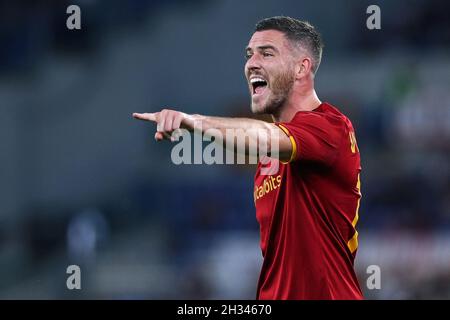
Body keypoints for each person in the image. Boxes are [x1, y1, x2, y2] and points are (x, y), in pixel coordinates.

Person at [133, 16, 363, 300]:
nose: (251, 63)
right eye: (249, 54)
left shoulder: (330, 126)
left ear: (301, 68)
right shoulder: (267, 163)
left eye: (266, 53)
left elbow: (262, 135)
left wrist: (192, 121)